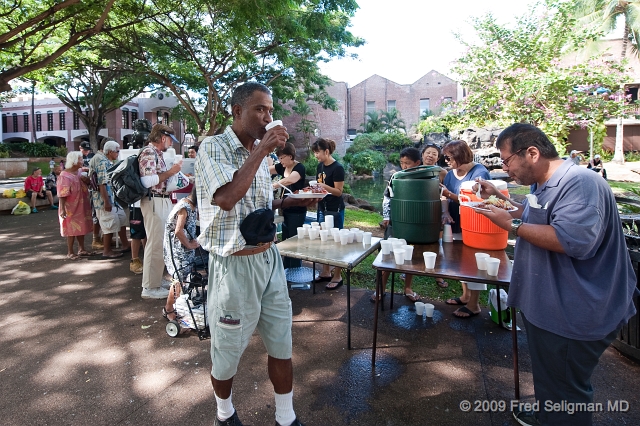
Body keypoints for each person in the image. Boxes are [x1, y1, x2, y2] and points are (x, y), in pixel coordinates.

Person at [475, 123, 637, 426]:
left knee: (566, 392)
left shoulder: (581, 183)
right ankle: (547, 411)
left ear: (532, 153)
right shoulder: (544, 183)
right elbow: (536, 213)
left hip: (574, 313)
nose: (505, 168)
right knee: (553, 382)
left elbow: (572, 240)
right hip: (549, 306)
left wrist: (508, 225)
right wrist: (501, 198)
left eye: (507, 161)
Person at [195, 82, 313, 426]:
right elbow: (227, 199)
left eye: (270, 110)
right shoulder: (213, 148)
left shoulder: (261, 156)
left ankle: (286, 417)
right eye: (260, 109)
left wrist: (288, 201)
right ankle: (224, 414)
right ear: (237, 112)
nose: (267, 116)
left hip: (269, 258)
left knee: (281, 341)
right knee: (227, 351)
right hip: (234, 265)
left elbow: (256, 203)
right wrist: (261, 150)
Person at [374, 147, 436, 303]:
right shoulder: (396, 177)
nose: (404, 166)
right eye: (402, 163)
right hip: (396, 223)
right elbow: (387, 198)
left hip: (415, 225)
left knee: (410, 256)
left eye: (407, 163)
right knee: (387, 255)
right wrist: (387, 216)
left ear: (417, 163)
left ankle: (407, 287)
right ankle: (380, 288)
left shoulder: (426, 178)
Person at [439, 140, 490, 318]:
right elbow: (443, 196)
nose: (446, 161)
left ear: (460, 156)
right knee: (461, 261)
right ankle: (465, 295)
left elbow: (479, 202)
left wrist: (450, 195)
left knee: (474, 263)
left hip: (475, 225)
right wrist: (445, 212)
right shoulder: (451, 174)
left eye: (449, 157)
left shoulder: (480, 173)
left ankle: (474, 304)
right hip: (456, 224)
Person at [138, 124, 183, 299]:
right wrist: (172, 172)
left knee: (159, 243)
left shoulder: (154, 154)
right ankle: (149, 287)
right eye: (170, 139)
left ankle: (154, 281)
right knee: (155, 244)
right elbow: (148, 181)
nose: (171, 143)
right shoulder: (149, 153)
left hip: (159, 201)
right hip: (154, 201)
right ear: (163, 137)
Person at [311, 137, 345, 290]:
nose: (316, 156)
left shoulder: (338, 168)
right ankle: (326, 272)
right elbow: (321, 188)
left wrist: (322, 186)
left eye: (317, 152)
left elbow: (338, 192)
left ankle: (338, 276)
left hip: (335, 209)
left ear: (326, 151)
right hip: (322, 208)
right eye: (314, 153)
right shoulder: (320, 166)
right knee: (323, 241)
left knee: (336, 242)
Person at [162, 186, 200, 321]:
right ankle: (169, 309)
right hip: (178, 250)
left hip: (184, 249)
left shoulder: (192, 206)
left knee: (182, 278)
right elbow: (178, 230)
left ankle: (176, 306)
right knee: (178, 279)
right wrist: (189, 244)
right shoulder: (184, 207)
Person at [89, 140, 131, 259]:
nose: (118, 154)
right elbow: (102, 183)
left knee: (121, 219)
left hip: (112, 198)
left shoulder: (104, 160)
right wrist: (106, 202)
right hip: (104, 200)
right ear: (111, 151)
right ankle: (107, 250)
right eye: (117, 151)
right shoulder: (102, 162)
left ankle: (125, 244)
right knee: (109, 223)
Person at [269, 142, 306, 269]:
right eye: (278, 158)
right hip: (284, 208)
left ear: (290, 156)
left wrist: (273, 185)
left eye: (282, 157)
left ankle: (295, 269)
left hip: (297, 209)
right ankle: (286, 269)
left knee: (294, 241)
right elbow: (265, 170)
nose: (280, 161)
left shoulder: (299, 168)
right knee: (285, 240)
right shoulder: (281, 166)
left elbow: (290, 180)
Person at [421, 143, 450, 288]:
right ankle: (408, 271)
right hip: (419, 211)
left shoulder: (443, 173)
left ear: (438, 158)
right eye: (428, 153)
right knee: (415, 242)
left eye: (434, 154)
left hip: (436, 211)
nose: (430, 156)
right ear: (422, 155)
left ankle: (438, 275)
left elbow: (447, 194)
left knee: (436, 244)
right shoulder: (416, 170)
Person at [58, 151, 94, 260]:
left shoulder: (79, 172)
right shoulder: (64, 176)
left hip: (81, 204)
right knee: (70, 229)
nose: (82, 161)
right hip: (70, 207)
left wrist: (86, 179)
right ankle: (70, 252)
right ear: (74, 161)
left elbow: (90, 181)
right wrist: (63, 209)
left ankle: (81, 249)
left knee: (81, 226)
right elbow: (62, 194)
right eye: (80, 159)